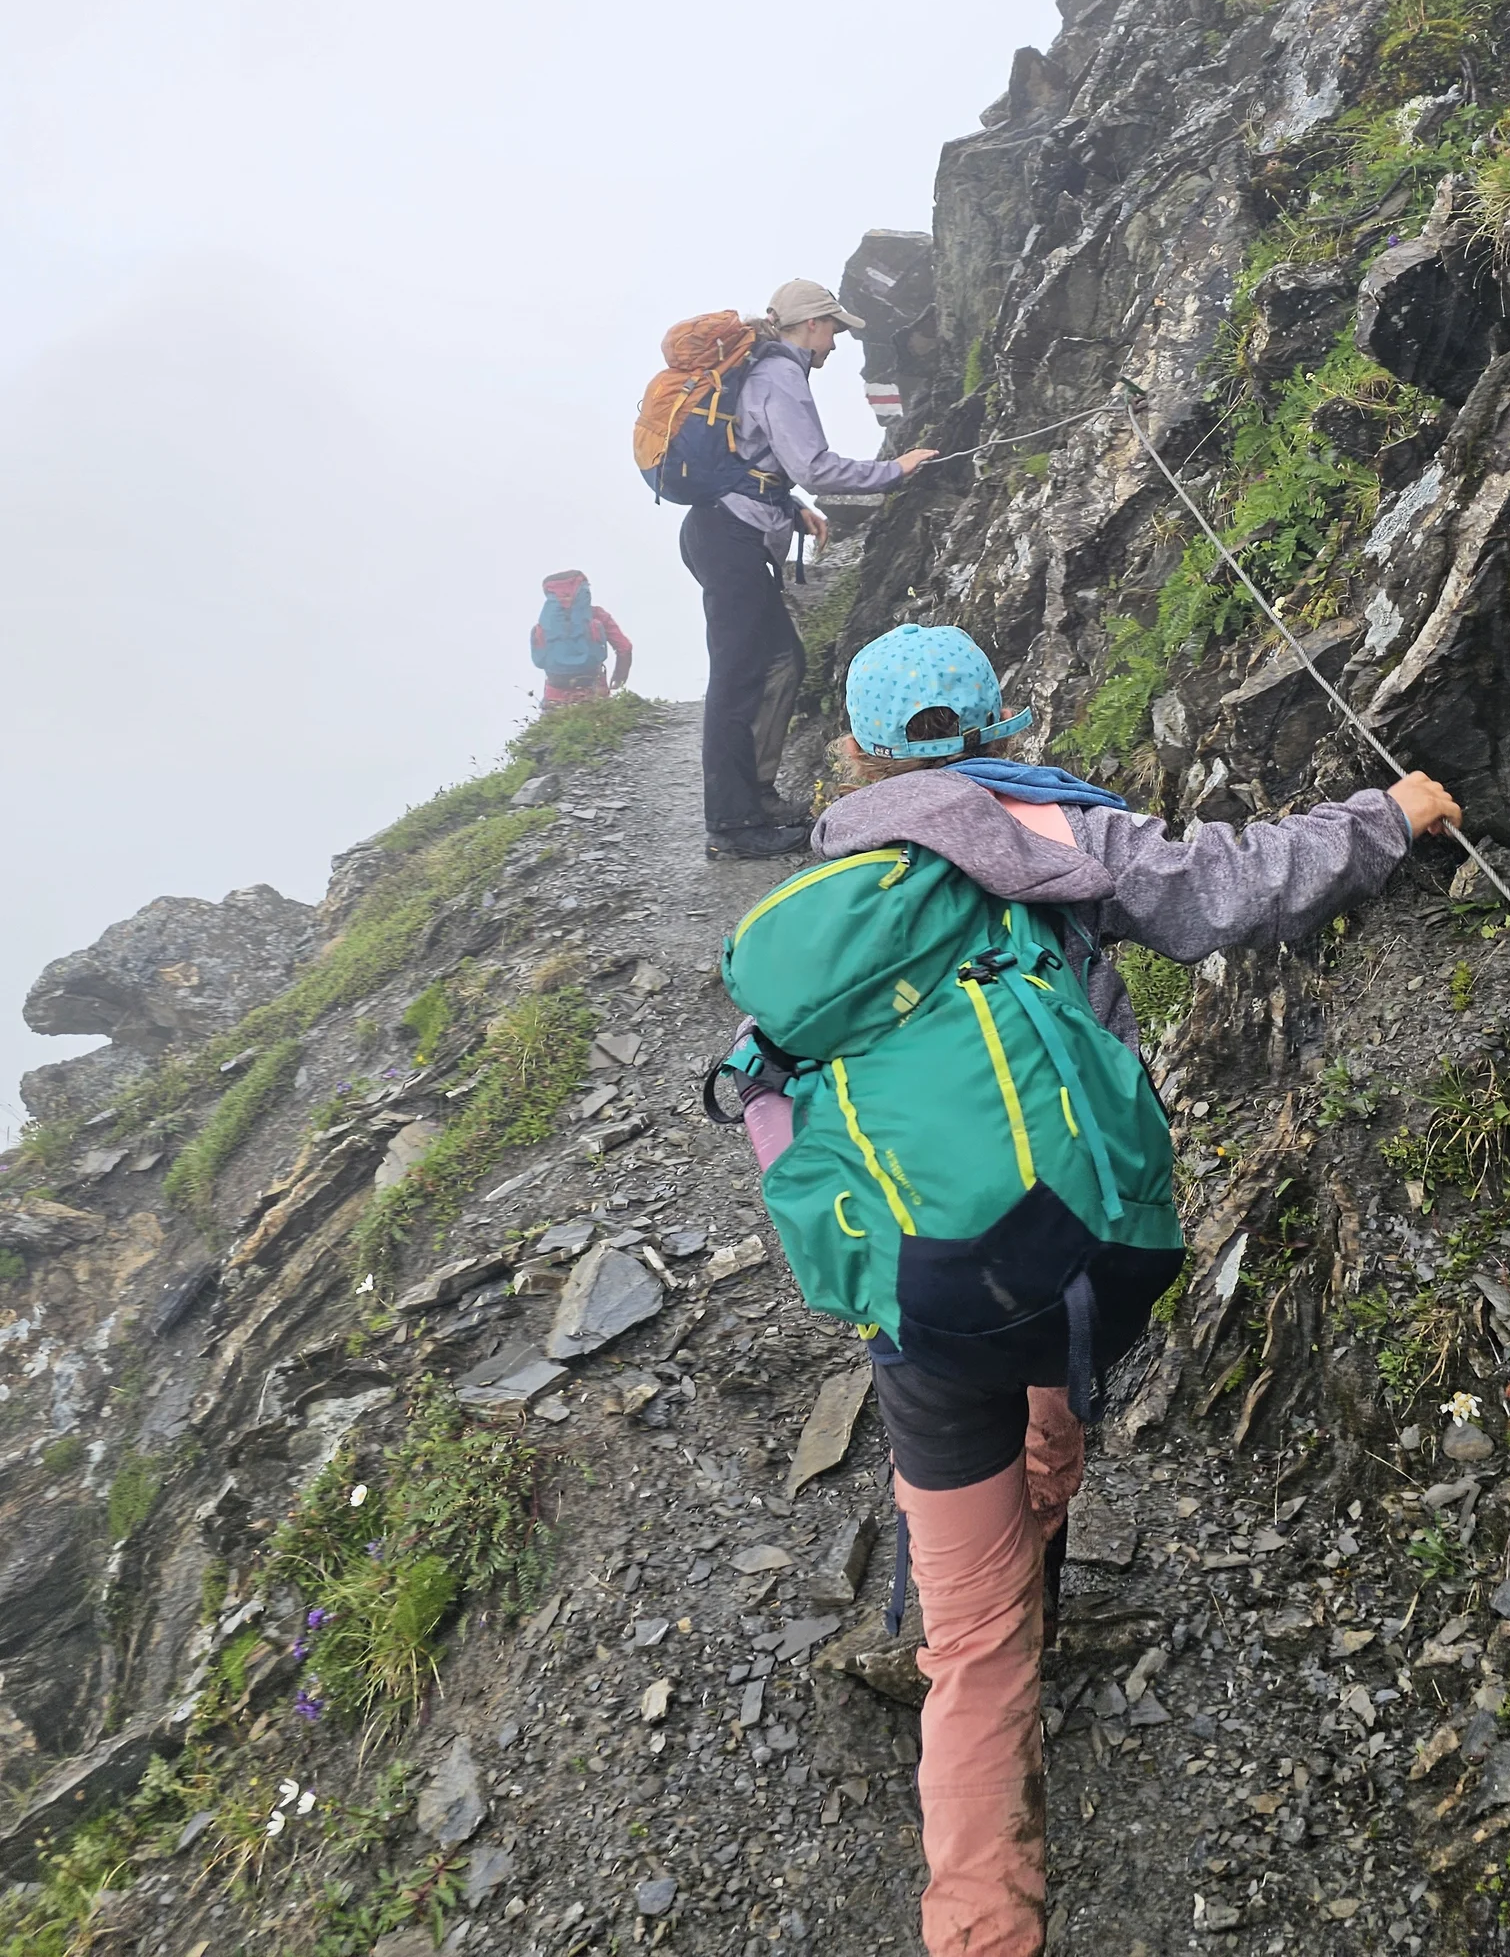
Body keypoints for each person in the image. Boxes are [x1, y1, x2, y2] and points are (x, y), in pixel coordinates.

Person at [724, 624, 1460, 1957]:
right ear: (1001, 721)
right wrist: (1386, 817)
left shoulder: (837, 899)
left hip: (924, 1302)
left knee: (975, 1648)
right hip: (1077, 1259)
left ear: (858, 753)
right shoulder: (1058, 839)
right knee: (1057, 1414)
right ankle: (1039, 1554)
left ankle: (978, 1856)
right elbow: (1232, 885)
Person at [680, 278, 937, 861]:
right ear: (812, 325)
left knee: (779, 663)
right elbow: (815, 467)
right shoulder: (781, 375)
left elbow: (753, 457)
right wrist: (895, 470)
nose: (837, 343)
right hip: (730, 539)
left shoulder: (764, 368)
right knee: (739, 679)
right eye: (835, 330)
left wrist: (789, 508)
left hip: (724, 529)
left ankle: (756, 797)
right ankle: (732, 823)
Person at [529, 570, 632, 708]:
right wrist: (619, 677)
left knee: (554, 727)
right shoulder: (597, 615)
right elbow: (625, 648)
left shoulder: (545, 624)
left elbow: (539, 659)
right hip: (594, 690)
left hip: (555, 695)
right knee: (599, 725)